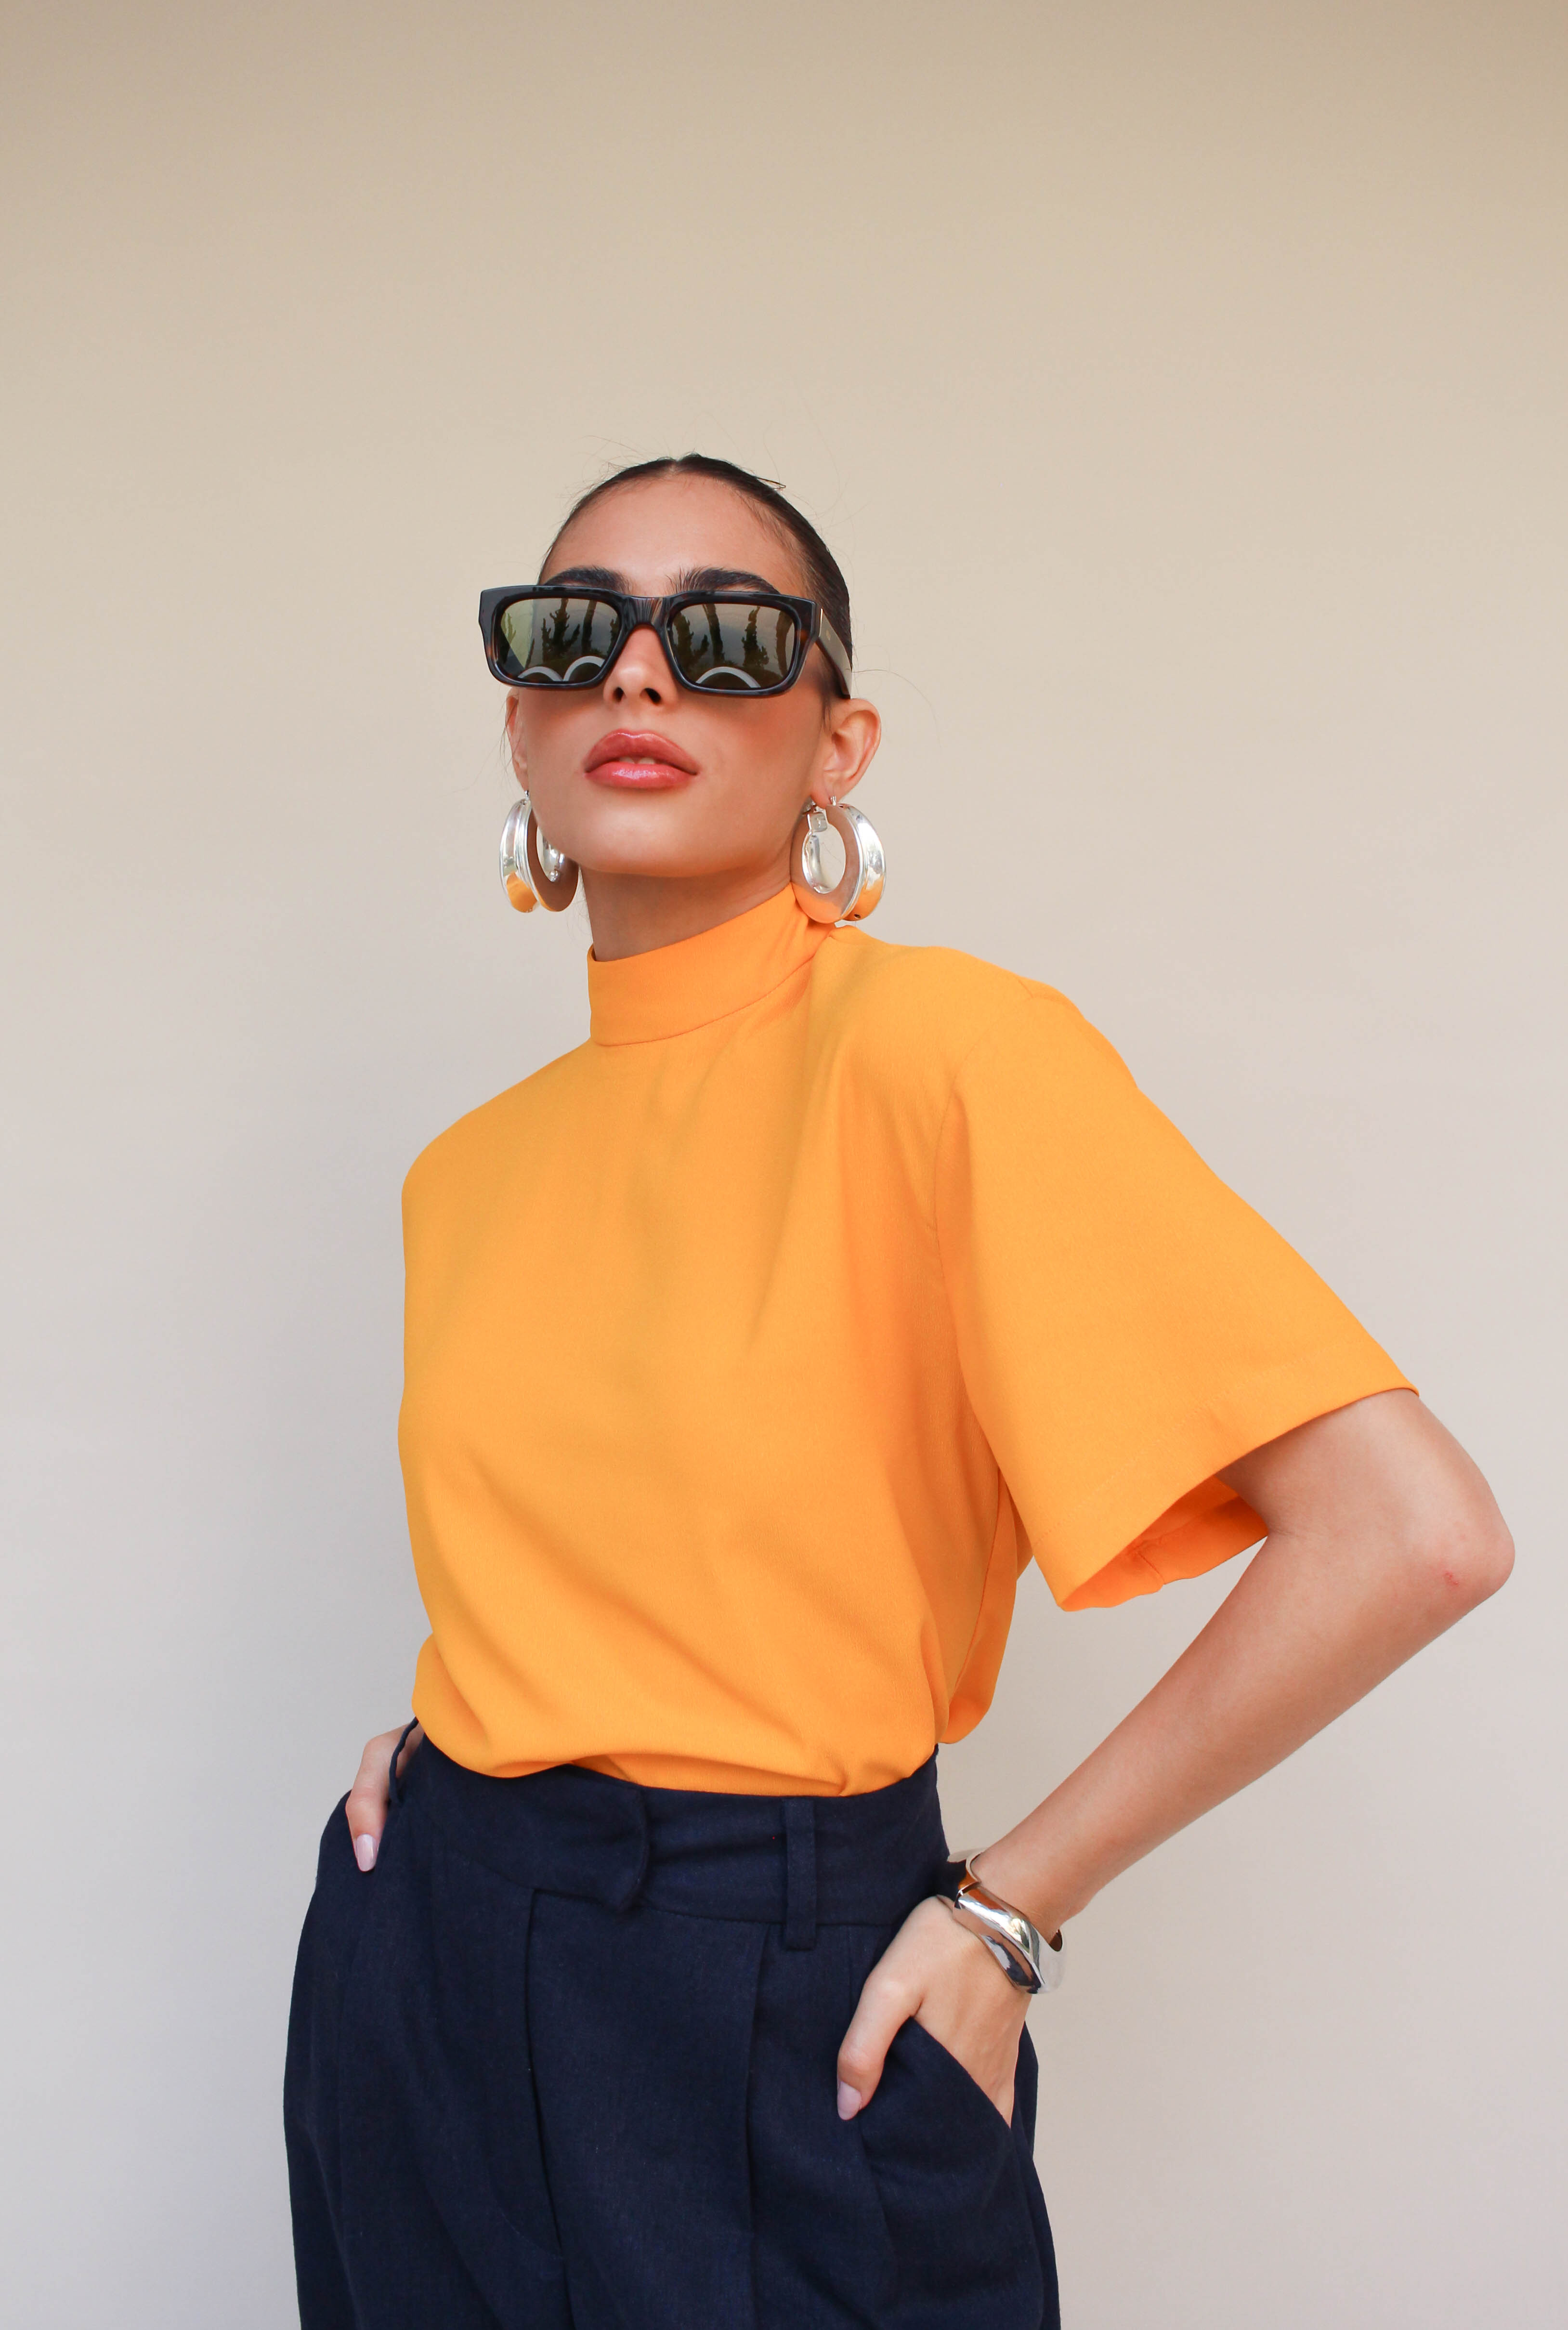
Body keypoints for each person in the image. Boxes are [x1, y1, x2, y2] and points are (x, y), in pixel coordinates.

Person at [284, 455, 1512, 2330]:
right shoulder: (465, 1172)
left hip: (780, 1991)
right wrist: (468, 1746)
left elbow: (1413, 1535)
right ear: (520, 722)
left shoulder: (950, 1058)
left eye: (724, 638)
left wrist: (1009, 1911)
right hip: (428, 1968)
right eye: (571, 634)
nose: (637, 675)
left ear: (838, 743)